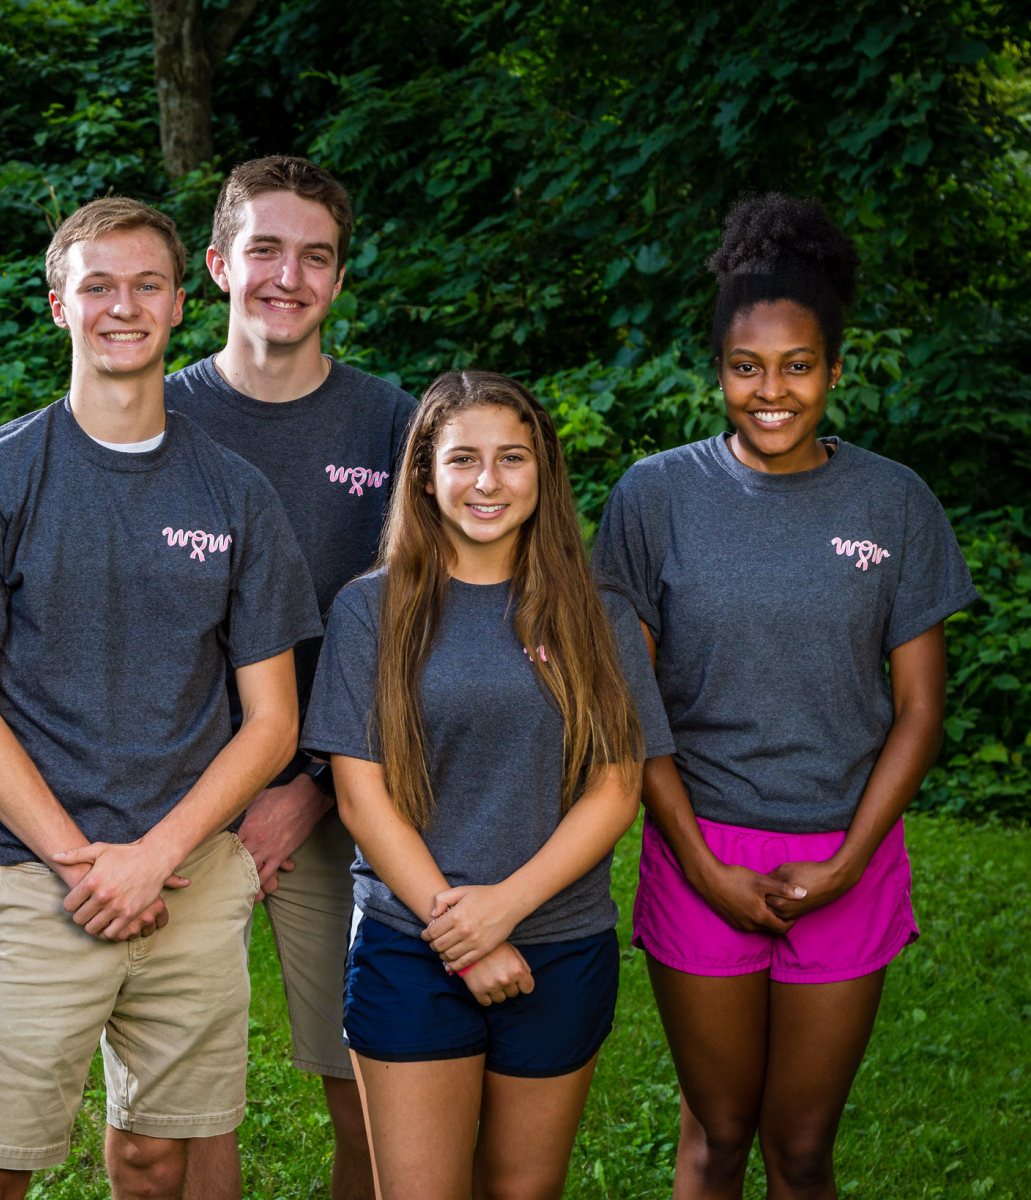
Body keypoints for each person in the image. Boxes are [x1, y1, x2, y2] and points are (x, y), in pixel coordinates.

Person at [0, 196, 321, 1200]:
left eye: (145, 285)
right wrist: (84, 864)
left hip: (189, 877)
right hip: (35, 878)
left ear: (179, 303)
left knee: (160, 1156)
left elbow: (274, 724)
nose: (122, 306)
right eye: (98, 286)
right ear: (59, 305)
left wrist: (154, 858)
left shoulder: (235, 493)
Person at [592, 194, 978, 1199]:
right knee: (719, 1137)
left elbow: (920, 710)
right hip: (700, 846)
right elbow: (632, 704)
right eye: (746, 367)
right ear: (717, 370)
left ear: (835, 371)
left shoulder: (894, 503)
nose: (771, 391)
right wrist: (701, 865)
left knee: (801, 1151)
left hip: (848, 848)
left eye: (797, 366)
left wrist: (848, 861)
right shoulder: (654, 497)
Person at [302, 370, 675, 1199]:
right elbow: (362, 797)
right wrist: (462, 935)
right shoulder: (370, 610)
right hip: (411, 945)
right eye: (463, 458)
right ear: (425, 474)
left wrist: (502, 911)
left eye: (512, 457)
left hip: (560, 944)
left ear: (543, 471)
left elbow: (616, 787)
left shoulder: (598, 612)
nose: (488, 482)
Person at [165, 154, 415, 1200]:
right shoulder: (153, 415)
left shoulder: (395, 426)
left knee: (371, 1098)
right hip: (173, 801)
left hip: (340, 793)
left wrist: (307, 789)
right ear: (220, 264)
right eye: (265, 249)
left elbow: (414, 631)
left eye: (316, 257)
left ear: (340, 280)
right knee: (171, 1125)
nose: (288, 276)